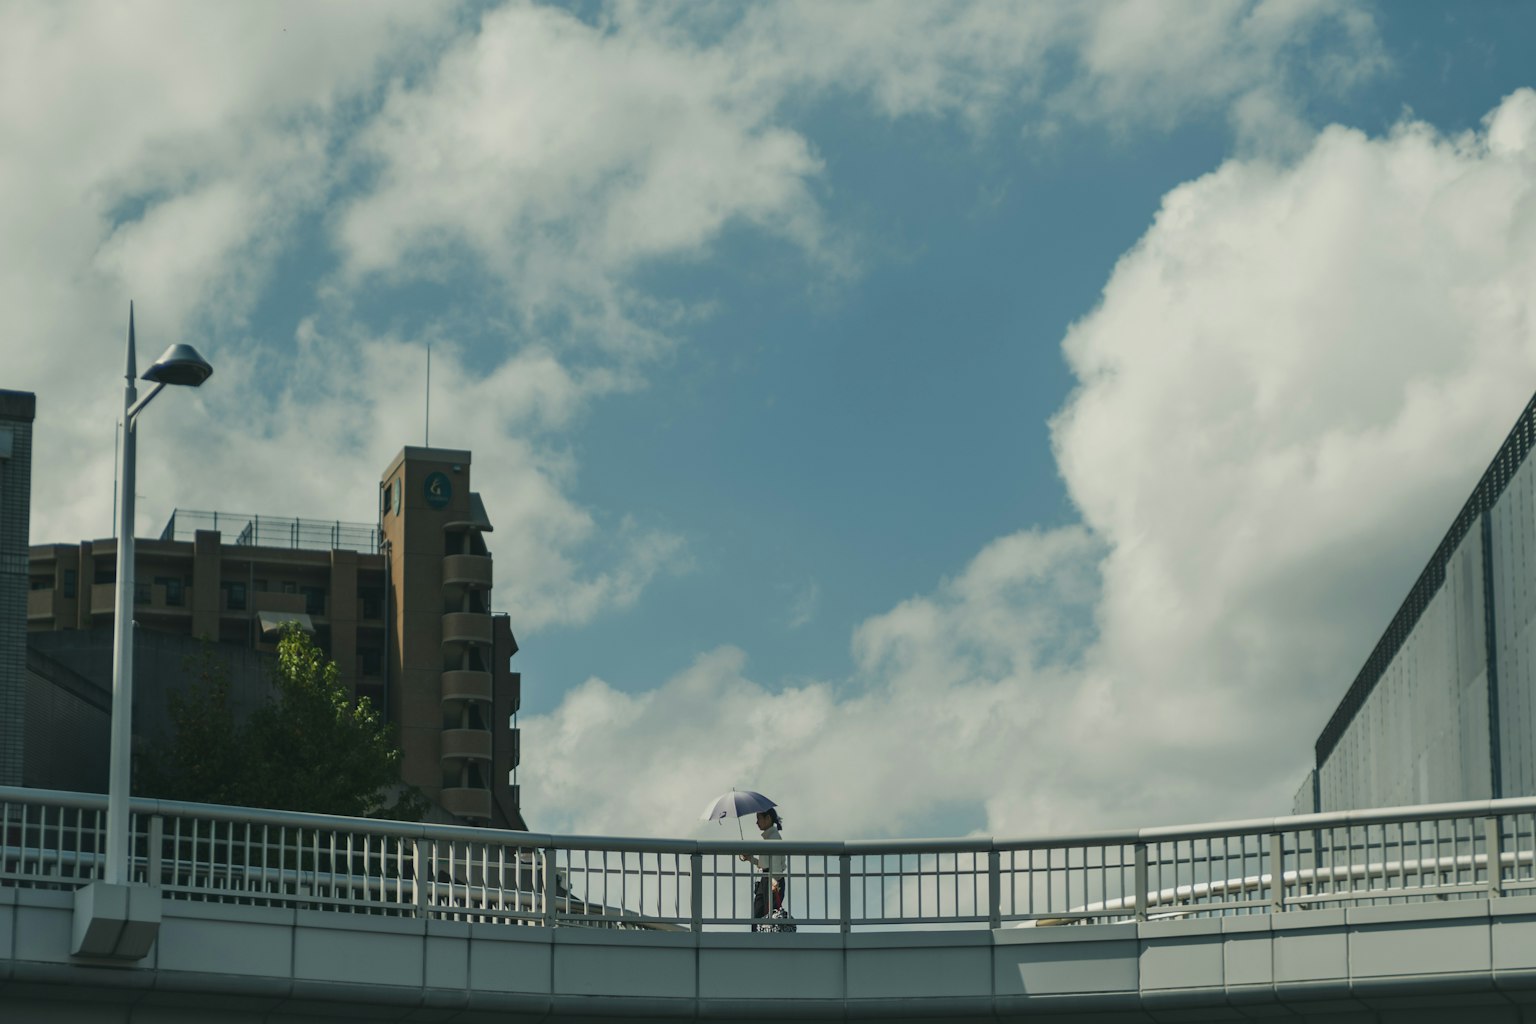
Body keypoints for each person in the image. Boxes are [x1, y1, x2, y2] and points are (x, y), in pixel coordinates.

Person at [739, 808, 786, 930]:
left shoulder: (773, 838)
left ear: (768, 819)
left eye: (759, 818)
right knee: (762, 916)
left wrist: (773, 880)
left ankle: (757, 943)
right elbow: (764, 864)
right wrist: (750, 858)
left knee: (763, 916)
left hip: (771, 880)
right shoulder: (770, 836)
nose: (757, 822)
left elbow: (774, 864)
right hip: (768, 879)